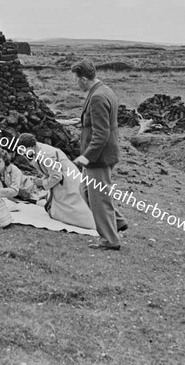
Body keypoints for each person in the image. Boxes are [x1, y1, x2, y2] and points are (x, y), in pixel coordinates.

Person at [71, 58, 128, 251]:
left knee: (99, 197)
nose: (76, 83)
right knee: (86, 191)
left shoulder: (97, 97)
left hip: (99, 157)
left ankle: (110, 239)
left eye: (76, 79)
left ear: (84, 79)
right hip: (102, 154)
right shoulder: (105, 90)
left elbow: (101, 134)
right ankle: (117, 221)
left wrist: (86, 158)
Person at [18, 133, 96, 230]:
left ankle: (93, 223)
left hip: (67, 178)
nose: (22, 152)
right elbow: (47, 171)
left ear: (30, 147)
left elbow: (56, 176)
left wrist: (42, 183)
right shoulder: (36, 152)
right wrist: (42, 181)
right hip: (62, 177)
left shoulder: (45, 154)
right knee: (57, 207)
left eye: (23, 149)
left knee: (71, 209)